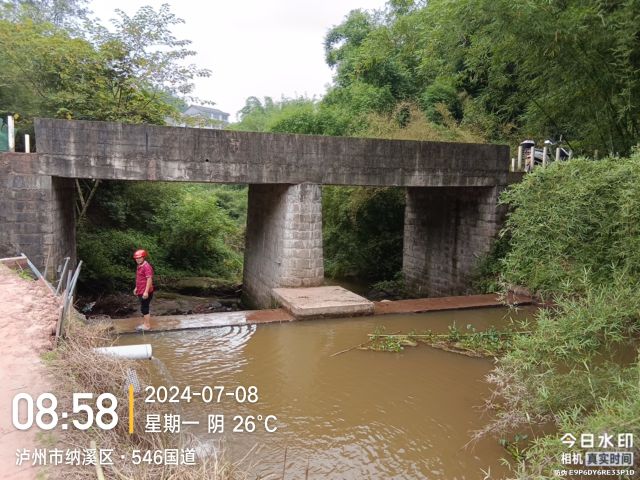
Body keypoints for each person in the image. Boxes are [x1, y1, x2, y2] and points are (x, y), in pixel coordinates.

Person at [133, 249, 154, 332]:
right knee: (143, 307)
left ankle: (147, 326)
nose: (137, 259)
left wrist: (146, 292)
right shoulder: (139, 265)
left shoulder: (146, 266)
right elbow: (140, 278)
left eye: (139, 258)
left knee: (144, 308)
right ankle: (145, 324)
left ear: (143, 257)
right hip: (140, 290)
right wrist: (136, 288)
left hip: (145, 291)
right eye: (136, 258)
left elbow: (149, 279)